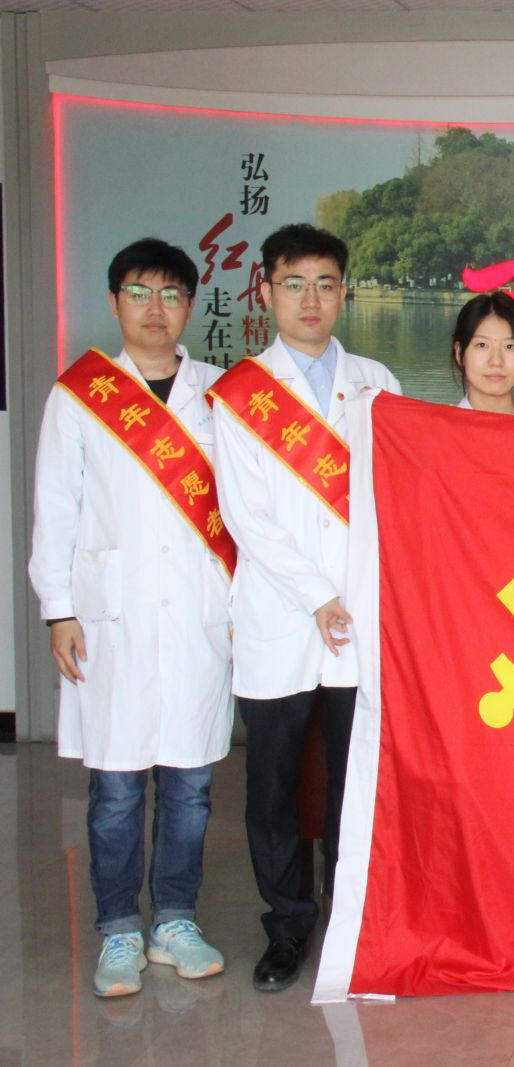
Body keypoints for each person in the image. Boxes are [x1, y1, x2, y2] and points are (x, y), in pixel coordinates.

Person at [29, 238, 233, 997]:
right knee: (115, 787)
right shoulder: (80, 394)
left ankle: (175, 919)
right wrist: (59, 610)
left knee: (190, 784)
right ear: (114, 302)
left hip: (199, 617)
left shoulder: (219, 395)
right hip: (108, 620)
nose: (156, 309)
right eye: (140, 293)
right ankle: (118, 928)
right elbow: (56, 507)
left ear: (190, 307)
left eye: (172, 295)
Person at [209, 223, 401, 993]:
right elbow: (246, 515)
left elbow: (399, 494)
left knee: (358, 777)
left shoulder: (377, 381)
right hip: (282, 615)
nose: (310, 299)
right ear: (266, 292)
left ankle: (350, 917)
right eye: (294, 284)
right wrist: (317, 595)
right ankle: (288, 924)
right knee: (275, 785)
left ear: (344, 291)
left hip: (361, 618)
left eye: (325, 283)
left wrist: (352, 594)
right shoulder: (240, 394)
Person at [452, 291, 514, 417]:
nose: (496, 362)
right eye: (482, 345)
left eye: (509, 346)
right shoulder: (435, 428)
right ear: (460, 354)